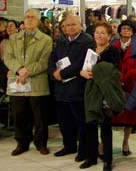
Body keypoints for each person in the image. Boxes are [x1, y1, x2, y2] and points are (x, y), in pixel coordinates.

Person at [5, 9, 53, 156]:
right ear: (23, 20)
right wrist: (20, 70)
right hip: (17, 82)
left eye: (33, 17)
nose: (29, 19)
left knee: (39, 117)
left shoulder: (46, 40)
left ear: (38, 21)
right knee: (19, 115)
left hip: (37, 83)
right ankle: (22, 143)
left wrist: (27, 71)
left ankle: (41, 143)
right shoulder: (13, 38)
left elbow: (44, 62)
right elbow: (8, 57)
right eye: (27, 17)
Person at [48, 15, 94, 162]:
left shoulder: (87, 41)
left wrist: (61, 73)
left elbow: (80, 64)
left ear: (81, 25)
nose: (70, 27)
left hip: (77, 88)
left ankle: (83, 151)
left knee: (80, 122)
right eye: (67, 25)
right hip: (61, 88)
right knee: (64, 120)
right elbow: (52, 58)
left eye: (73, 24)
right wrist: (53, 73)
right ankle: (69, 146)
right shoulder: (61, 40)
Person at [80, 21, 121, 171]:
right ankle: (91, 156)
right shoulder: (90, 49)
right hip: (90, 90)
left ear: (110, 36)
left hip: (105, 92)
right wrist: (82, 72)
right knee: (90, 125)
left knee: (105, 127)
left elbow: (112, 71)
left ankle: (108, 159)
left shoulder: (113, 51)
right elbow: (82, 67)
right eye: (97, 32)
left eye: (103, 33)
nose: (99, 36)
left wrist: (95, 72)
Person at [111, 20, 136, 156]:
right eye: (123, 28)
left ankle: (126, 142)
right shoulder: (113, 46)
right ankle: (104, 144)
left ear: (132, 32)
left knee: (129, 118)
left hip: (131, 86)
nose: (126, 31)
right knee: (111, 116)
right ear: (119, 31)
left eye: (128, 29)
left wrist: (124, 79)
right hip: (114, 86)